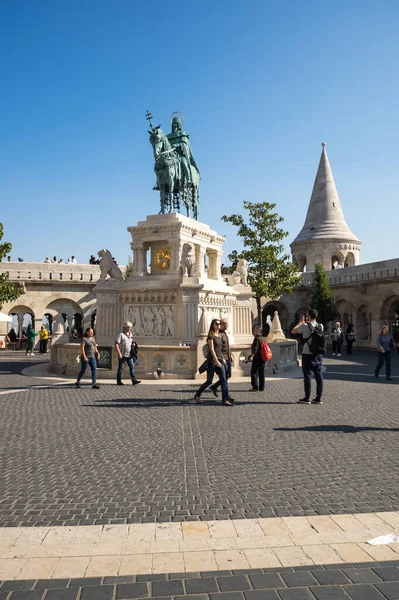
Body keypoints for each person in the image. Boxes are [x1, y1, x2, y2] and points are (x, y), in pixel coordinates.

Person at [194, 319, 232, 406]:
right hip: (212, 361)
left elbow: (220, 350)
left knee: (224, 379)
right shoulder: (211, 336)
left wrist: (222, 359)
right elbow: (212, 350)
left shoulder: (219, 335)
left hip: (220, 360)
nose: (218, 325)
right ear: (213, 325)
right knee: (209, 381)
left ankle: (225, 400)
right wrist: (216, 361)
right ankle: (197, 395)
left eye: (219, 324)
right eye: (216, 324)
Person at [291, 309, 324, 404]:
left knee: (307, 375)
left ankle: (307, 398)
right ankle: (318, 398)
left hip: (307, 353)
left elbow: (293, 331)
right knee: (318, 375)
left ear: (308, 316)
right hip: (317, 353)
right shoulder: (320, 326)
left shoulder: (305, 326)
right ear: (316, 316)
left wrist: (300, 322)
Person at [210, 318, 234, 401]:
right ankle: (226, 397)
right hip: (222, 358)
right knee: (224, 378)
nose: (228, 326)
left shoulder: (224, 333)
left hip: (227, 357)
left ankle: (214, 386)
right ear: (222, 325)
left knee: (228, 376)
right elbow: (218, 348)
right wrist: (221, 358)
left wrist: (230, 354)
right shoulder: (218, 334)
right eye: (226, 324)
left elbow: (227, 345)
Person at [114, 321, 141, 386]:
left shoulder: (130, 334)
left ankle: (133, 380)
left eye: (130, 327)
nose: (129, 328)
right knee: (121, 367)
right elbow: (116, 344)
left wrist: (133, 344)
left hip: (129, 354)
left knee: (132, 366)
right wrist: (119, 353)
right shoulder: (121, 334)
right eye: (128, 327)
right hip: (122, 354)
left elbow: (130, 342)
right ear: (124, 327)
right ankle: (118, 380)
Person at [248, 326, 266, 392]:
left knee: (254, 372)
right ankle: (262, 387)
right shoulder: (262, 338)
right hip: (263, 357)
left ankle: (255, 386)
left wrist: (252, 356)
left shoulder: (257, 339)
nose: (253, 331)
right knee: (261, 373)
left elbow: (255, 348)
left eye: (255, 330)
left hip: (257, 358)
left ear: (258, 331)